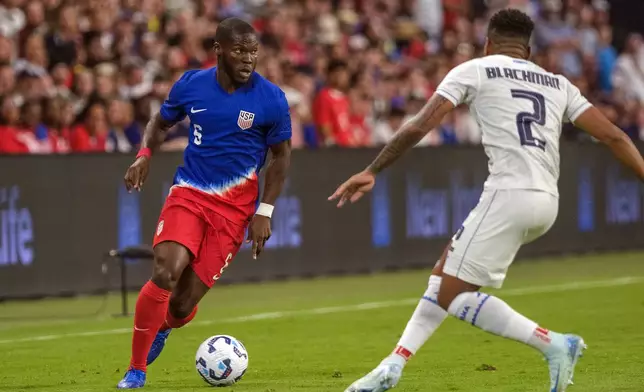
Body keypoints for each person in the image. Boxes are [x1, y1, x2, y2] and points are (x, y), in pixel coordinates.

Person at [329, 9, 644, 392]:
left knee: (455, 296)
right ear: (527, 50)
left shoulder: (475, 69)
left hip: (508, 195)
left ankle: (555, 344)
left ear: (487, 42)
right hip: (548, 200)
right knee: (442, 278)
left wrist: (373, 170)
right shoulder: (558, 83)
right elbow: (614, 136)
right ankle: (391, 367)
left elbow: (421, 124)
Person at [117, 17, 292, 389]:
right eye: (239, 50)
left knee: (180, 306)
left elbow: (281, 156)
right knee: (165, 269)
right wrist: (145, 153)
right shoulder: (191, 85)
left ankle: (163, 326)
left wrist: (265, 210)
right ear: (218, 50)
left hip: (233, 213)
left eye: (253, 51)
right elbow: (160, 122)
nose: (248, 59)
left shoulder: (271, 99)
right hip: (189, 194)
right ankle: (136, 370)